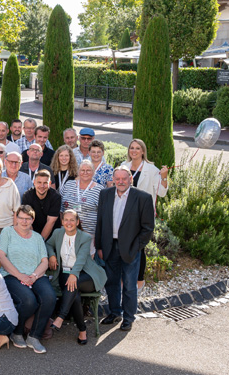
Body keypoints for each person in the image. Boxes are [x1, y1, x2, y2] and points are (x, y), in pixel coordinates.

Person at [96, 167, 154, 332]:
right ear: (113, 179)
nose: (121, 182)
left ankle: (128, 318)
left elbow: (148, 228)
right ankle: (115, 312)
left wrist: (137, 247)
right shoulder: (105, 194)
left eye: (124, 178)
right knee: (111, 282)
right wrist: (99, 245)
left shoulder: (143, 198)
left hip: (130, 248)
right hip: (109, 246)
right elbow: (100, 221)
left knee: (129, 285)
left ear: (130, 179)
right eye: (118, 178)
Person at [0, 205, 56, 354]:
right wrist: (19, 275)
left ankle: (34, 336)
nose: (24, 221)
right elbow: (0, 255)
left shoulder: (37, 237)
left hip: (35, 275)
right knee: (29, 301)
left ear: (32, 220)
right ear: (16, 218)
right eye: (21, 218)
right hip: (12, 275)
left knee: (49, 297)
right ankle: (17, 332)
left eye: (27, 219)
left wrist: (34, 276)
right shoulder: (7, 232)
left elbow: (44, 261)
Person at [46, 210, 107, 345]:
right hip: (65, 274)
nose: (69, 223)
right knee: (74, 294)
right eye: (66, 220)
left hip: (86, 274)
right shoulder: (57, 233)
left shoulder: (84, 237)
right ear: (62, 222)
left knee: (72, 284)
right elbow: (48, 244)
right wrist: (52, 255)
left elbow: (81, 258)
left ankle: (61, 317)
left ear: (77, 222)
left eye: (72, 220)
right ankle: (82, 330)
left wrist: (74, 274)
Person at [120, 138, 168, 292]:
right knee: (122, 246)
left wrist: (164, 177)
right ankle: (123, 280)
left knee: (139, 247)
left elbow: (161, 193)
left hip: (142, 216)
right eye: (131, 148)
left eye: (137, 148)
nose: (134, 151)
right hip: (124, 214)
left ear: (143, 151)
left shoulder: (151, 170)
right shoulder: (123, 167)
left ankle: (139, 281)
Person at [61, 160, 104, 251]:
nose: (85, 173)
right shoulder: (69, 185)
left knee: (85, 261)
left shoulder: (99, 190)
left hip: (88, 233)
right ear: (78, 172)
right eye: (82, 170)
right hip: (67, 230)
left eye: (88, 170)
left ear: (93, 172)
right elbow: (61, 207)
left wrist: (98, 236)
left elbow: (102, 215)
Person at [21, 170, 62, 241]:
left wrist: (40, 241)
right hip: (32, 232)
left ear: (49, 183)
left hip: (52, 235)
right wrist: (34, 240)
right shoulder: (27, 196)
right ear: (34, 183)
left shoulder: (56, 197)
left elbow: (51, 221)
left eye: (45, 183)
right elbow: (27, 219)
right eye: (39, 182)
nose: (42, 186)